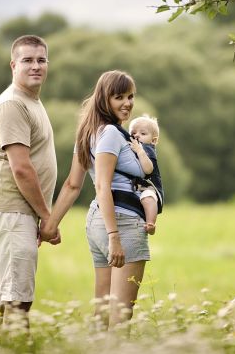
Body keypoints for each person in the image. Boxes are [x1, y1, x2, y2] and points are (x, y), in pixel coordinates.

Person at [40, 70, 149, 327]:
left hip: (98, 221)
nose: (128, 103)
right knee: (120, 318)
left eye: (131, 96)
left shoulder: (88, 132)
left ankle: (96, 345)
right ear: (104, 99)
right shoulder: (111, 133)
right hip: (120, 224)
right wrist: (114, 236)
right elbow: (102, 185)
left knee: (102, 314)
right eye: (119, 97)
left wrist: (50, 226)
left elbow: (72, 184)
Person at [0, 35, 58, 331]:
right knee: (17, 305)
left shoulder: (29, 100)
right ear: (13, 65)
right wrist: (47, 217)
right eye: (28, 60)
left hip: (12, 212)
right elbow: (21, 168)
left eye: (41, 60)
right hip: (9, 212)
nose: (36, 66)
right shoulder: (12, 105)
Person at [128, 114, 164, 235]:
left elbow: (148, 169)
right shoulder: (134, 146)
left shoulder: (147, 148)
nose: (137, 135)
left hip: (150, 186)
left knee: (148, 197)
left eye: (143, 133)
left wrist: (139, 150)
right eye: (133, 133)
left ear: (153, 141)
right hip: (138, 186)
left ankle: (151, 224)